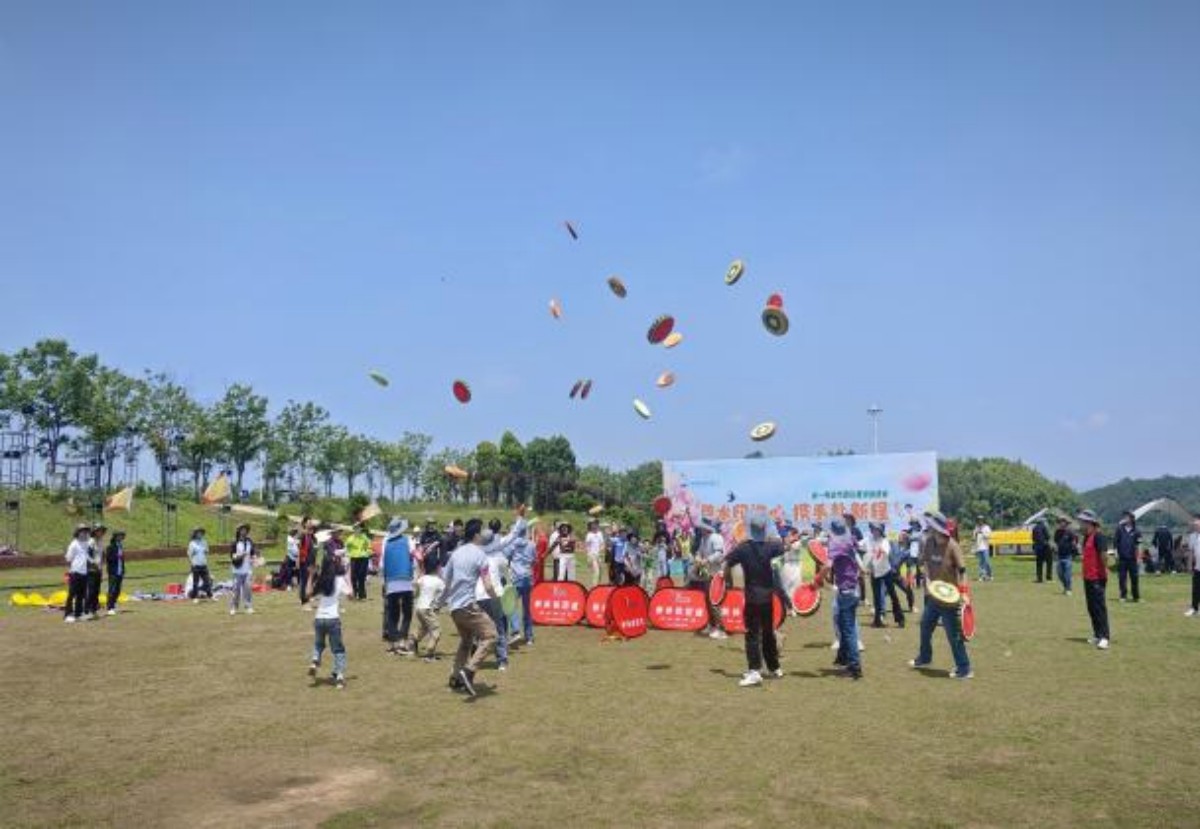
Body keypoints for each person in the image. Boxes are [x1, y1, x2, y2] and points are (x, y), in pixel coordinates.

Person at [908, 510, 972, 679]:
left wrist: (964, 593)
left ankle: (964, 668)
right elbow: (924, 563)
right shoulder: (929, 542)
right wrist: (927, 579)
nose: (928, 527)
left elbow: (963, 571)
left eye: (931, 525)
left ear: (937, 528)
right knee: (925, 626)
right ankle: (925, 657)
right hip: (934, 597)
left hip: (951, 599)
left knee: (953, 635)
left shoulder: (953, 546)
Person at [725, 512, 785, 687]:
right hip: (767, 597)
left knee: (752, 634)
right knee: (768, 633)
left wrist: (726, 580)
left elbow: (727, 563)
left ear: (749, 529)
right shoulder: (771, 547)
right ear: (765, 529)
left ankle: (754, 671)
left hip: (752, 597)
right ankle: (774, 668)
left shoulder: (743, 548)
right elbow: (782, 546)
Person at [443, 519, 499, 697]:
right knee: (491, 636)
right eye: (481, 531)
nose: (483, 534)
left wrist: (439, 602)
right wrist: (497, 600)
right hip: (468, 605)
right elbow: (488, 585)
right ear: (476, 535)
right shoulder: (481, 555)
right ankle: (468, 672)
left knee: (466, 641)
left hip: (454, 608)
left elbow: (446, 581)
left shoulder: (456, 553)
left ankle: (455, 678)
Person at [825, 519, 864, 679]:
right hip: (854, 588)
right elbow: (858, 557)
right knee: (844, 624)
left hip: (846, 591)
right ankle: (845, 659)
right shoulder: (850, 539)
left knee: (848, 630)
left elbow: (828, 566)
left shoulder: (835, 545)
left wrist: (818, 578)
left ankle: (855, 667)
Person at [307, 543, 349, 689]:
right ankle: (339, 677)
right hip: (333, 619)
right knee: (338, 649)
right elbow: (351, 595)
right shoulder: (339, 580)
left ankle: (315, 660)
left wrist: (311, 575)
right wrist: (348, 576)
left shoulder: (321, 580)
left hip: (319, 618)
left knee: (319, 644)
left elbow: (308, 594)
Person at [1077, 510, 1111, 649]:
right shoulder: (1086, 537)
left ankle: (1105, 637)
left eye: (1082, 522)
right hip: (1088, 577)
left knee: (1099, 607)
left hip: (1098, 577)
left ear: (1089, 523)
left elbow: (1104, 555)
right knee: (1091, 608)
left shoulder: (1099, 537)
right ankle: (1097, 634)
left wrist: (1105, 569)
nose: (1080, 524)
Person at [381, 518, 415, 654]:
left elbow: (382, 564)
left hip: (391, 581)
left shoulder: (386, 542)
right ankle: (402, 640)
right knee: (407, 613)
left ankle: (393, 643)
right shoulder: (408, 540)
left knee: (392, 613)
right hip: (406, 580)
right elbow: (414, 558)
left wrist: (384, 582)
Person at [690, 519, 727, 639]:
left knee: (715, 601)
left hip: (717, 574)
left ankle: (721, 629)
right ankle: (712, 625)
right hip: (708, 574)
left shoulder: (716, 537)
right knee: (708, 600)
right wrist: (697, 557)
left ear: (706, 528)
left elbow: (719, 554)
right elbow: (699, 552)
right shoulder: (704, 539)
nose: (700, 529)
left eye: (701, 527)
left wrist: (706, 560)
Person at [504, 520, 537, 646]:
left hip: (516, 579)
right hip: (528, 578)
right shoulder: (531, 544)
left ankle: (516, 630)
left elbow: (506, 556)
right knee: (527, 609)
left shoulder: (513, 544)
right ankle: (529, 637)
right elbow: (534, 560)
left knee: (510, 605)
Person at [867, 522, 904, 628]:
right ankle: (877, 620)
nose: (874, 531)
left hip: (886, 571)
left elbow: (885, 552)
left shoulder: (884, 541)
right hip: (875, 572)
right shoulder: (869, 540)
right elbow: (859, 545)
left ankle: (900, 618)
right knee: (876, 597)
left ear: (880, 531)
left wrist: (876, 555)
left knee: (893, 594)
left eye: (877, 530)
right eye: (873, 529)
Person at [413, 555, 445, 661]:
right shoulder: (439, 581)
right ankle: (429, 654)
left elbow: (416, 593)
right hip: (428, 609)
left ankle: (413, 641)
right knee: (436, 630)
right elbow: (444, 595)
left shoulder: (422, 579)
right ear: (437, 568)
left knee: (424, 627)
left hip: (419, 608)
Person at [63, 524, 91, 623]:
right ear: (77, 532)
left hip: (84, 572)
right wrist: (69, 572)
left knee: (81, 595)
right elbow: (68, 558)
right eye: (82, 531)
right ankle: (68, 614)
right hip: (75, 572)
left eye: (85, 531)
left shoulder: (86, 543)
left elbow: (87, 556)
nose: (84, 533)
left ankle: (78, 614)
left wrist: (92, 562)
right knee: (72, 593)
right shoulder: (74, 544)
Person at [1114, 511, 1141, 602]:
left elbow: (1139, 545)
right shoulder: (1119, 529)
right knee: (1122, 578)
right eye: (1125, 517)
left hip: (1133, 558)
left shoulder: (1136, 531)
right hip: (1122, 558)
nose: (1125, 518)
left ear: (1132, 519)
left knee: (1134, 578)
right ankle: (1123, 596)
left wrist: (1139, 557)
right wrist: (1116, 554)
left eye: (1127, 517)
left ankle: (1136, 597)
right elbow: (1115, 543)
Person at [229, 523, 255, 615]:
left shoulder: (249, 541)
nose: (244, 531)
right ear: (239, 531)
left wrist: (255, 559)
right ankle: (234, 607)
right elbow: (233, 557)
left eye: (245, 530)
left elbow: (252, 553)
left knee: (247, 588)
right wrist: (241, 556)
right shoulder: (234, 543)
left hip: (247, 569)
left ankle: (248, 606)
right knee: (236, 589)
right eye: (242, 530)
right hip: (237, 570)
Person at [346, 522, 373, 601]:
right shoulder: (350, 538)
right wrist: (348, 554)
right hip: (354, 558)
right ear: (354, 529)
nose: (357, 529)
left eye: (358, 528)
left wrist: (367, 552)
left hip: (363, 558)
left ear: (361, 529)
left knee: (361, 577)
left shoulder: (364, 537)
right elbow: (347, 547)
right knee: (353, 577)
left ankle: (362, 595)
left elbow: (369, 546)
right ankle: (354, 593)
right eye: (355, 528)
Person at [85, 524, 107, 618]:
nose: (100, 532)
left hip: (99, 569)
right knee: (91, 590)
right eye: (99, 530)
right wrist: (93, 563)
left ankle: (94, 610)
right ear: (94, 532)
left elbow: (102, 555)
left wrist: (102, 566)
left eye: (102, 530)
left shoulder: (101, 542)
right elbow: (87, 556)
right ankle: (87, 610)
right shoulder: (90, 542)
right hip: (91, 570)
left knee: (97, 591)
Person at [187, 527, 213, 602]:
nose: (200, 534)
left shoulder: (204, 542)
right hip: (196, 565)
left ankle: (210, 596)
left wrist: (205, 551)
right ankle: (195, 597)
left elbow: (207, 551)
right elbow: (189, 554)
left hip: (203, 564)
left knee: (207, 581)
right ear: (195, 534)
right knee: (196, 582)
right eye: (198, 533)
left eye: (201, 533)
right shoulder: (192, 543)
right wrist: (192, 564)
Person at [1053, 518, 1078, 595]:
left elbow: (1074, 541)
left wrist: (1074, 550)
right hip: (1059, 555)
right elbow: (1056, 542)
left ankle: (1068, 589)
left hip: (1068, 555)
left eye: (1063, 522)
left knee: (1067, 574)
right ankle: (1066, 587)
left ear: (1066, 523)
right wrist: (1055, 551)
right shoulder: (1057, 532)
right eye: (1060, 522)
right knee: (1060, 574)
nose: (1061, 523)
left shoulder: (1070, 532)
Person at [104, 529, 126, 615]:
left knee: (118, 589)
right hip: (113, 571)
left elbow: (122, 560)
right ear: (115, 537)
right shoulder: (110, 547)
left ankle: (113, 603)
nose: (120, 537)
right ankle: (110, 607)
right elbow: (108, 558)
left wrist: (123, 570)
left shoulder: (120, 546)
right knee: (112, 589)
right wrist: (117, 556)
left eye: (121, 536)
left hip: (120, 571)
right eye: (119, 536)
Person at [297, 519, 318, 605]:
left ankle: (308, 596)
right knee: (304, 580)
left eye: (311, 522)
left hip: (312, 560)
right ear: (305, 524)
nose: (310, 524)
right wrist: (298, 560)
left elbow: (315, 549)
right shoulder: (303, 536)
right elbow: (299, 548)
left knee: (311, 579)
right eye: (309, 522)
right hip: (304, 561)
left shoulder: (313, 537)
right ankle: (303, 599)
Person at [1186, 520, 1200, 617]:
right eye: (1195, 526)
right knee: (1195, 589)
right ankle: (1194, 609)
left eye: (1197, 526)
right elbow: (1191, 552)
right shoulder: (1193, 537)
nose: (1196, 527)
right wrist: (1189, 565)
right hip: (1197, 567)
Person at [585, 520, 605, 586]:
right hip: (592, 555)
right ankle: (594, 586)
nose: (594, 525)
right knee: (596, 571)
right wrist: (589, 556)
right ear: (591, 525)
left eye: (596, 524)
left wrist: (601, 549)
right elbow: (587, 545)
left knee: (601, 571)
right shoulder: (589, 534)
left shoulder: (600, 533)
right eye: (593, 524)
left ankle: (598, 585)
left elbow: (602, 543)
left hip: (599, 555)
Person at [1032, 518, 1053, 583]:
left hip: (1038, 547)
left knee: (1039, 564)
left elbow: (1033, 538)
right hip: (1045, 546)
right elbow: (1048, 536)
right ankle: (1048, 578)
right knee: (1049, 562)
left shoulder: (1034, 528)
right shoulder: (1044, 527)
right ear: (1043, 522)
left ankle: (1039, 578)